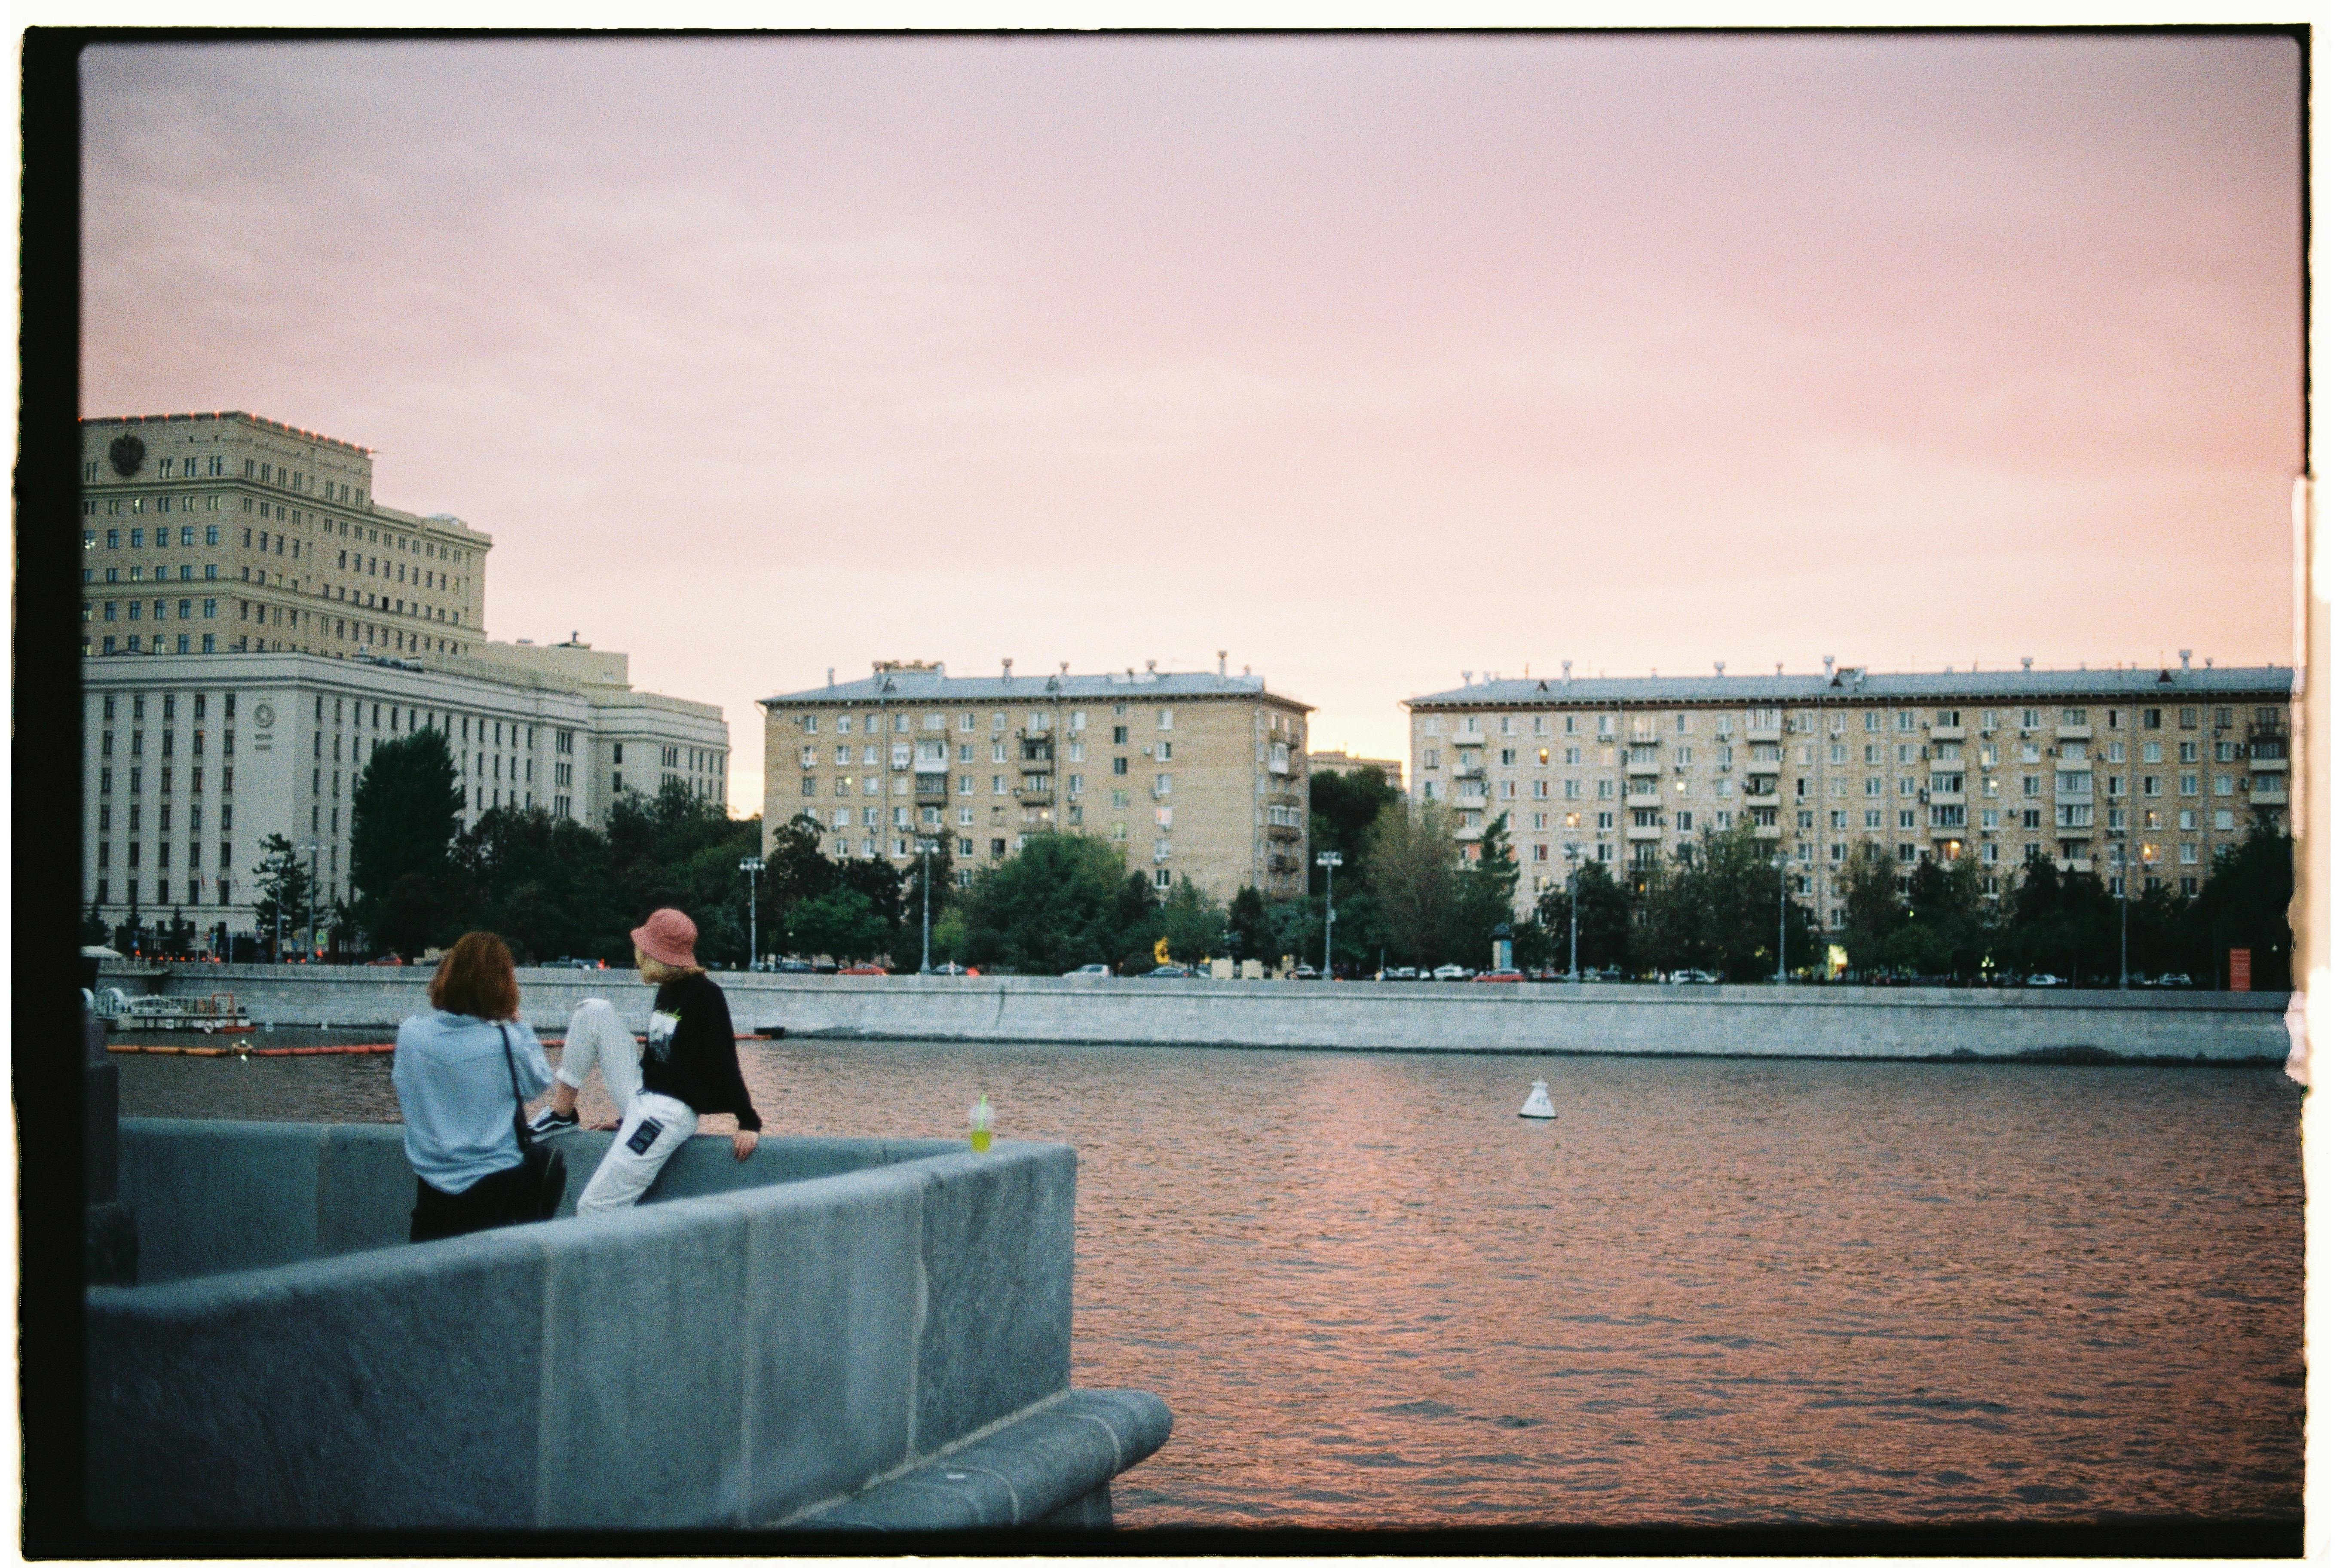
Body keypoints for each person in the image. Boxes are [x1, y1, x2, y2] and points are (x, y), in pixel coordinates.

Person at [573, 908, 761, 1216]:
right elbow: (657, 1063)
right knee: (596, 1205)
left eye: (641, 950)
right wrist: (627, 1120)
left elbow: (725, 1061)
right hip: (647, 1106)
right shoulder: (667, 991)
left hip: (668, 1116)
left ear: (654, 954)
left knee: (595, 1207)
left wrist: (749, 1121)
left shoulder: (706, 995)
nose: (636, 958)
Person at [393, 931, 563, 1241]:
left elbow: (406, 1088)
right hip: (497, 1194)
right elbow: (539, 1082)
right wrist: (517, 1022)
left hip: (432, 1196)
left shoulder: (410, 1035)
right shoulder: (505, 1041)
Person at [528, 996, 641, 1135]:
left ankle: (643, 1119)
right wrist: (626, 1120)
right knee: (594, 1010)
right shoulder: (667, 992)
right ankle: (561, 1114)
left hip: (668, 1112)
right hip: (650, 1100)